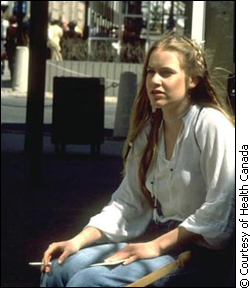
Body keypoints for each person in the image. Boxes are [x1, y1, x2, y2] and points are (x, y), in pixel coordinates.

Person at [40, 32, 235, 287]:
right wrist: (78, 240)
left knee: (87, 282)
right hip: (160, 244)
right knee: (57, 269)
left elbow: (223, 208)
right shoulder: (149, 131)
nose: (154, 80)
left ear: (192, 80)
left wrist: (155, 247)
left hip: (202, 254)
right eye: (150, 72)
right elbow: (128, 203)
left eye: (166, 73)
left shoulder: (211, 125)